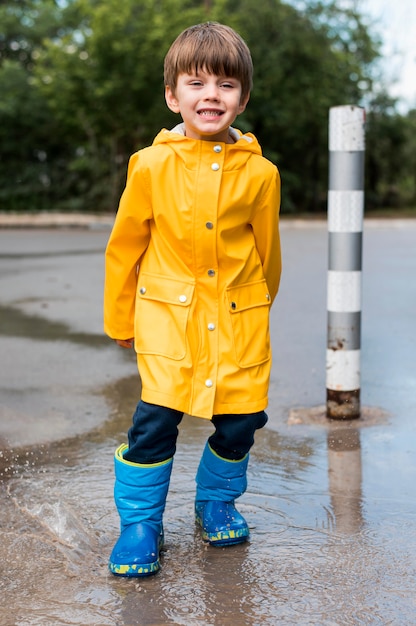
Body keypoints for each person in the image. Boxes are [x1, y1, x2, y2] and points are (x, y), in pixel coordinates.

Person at [104, 21, 282, 577]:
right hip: (167, 318)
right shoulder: (150, 165)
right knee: (155, 419)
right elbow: (125, 246)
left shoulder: (261, 174)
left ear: (243, 98)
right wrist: (120, 316)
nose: (211, 95)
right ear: (172, 95)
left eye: (226, 85)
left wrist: (257, 310)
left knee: (242, 418)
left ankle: (216, 502)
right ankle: (140, 524)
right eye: (196, 83)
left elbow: (267, 254)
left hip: (238, 317)